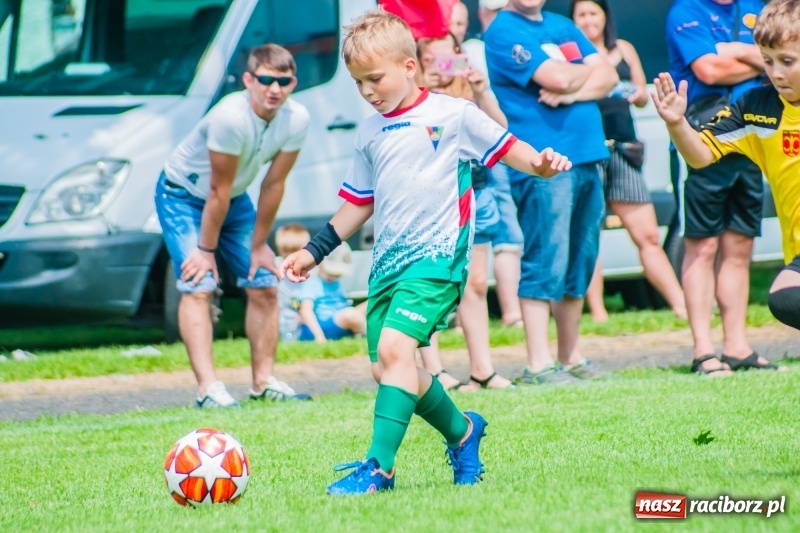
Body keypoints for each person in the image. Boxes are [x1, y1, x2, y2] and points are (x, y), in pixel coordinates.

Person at [280, 10, 570, 495]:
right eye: (358, 83)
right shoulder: (369, 132)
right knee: (390, 368)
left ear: (409, 66)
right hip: (387, 268)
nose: (368, 91)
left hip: (437, 260)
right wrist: (313, 251)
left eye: (375, 78)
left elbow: (513, 150)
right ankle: (463, 432)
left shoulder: (451, 115)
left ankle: (379, 468)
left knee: (396, 350)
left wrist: (541, 165)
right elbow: (357, 203)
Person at [155, 44, 311, 407]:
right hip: (183, 195)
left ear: (293, 83)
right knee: (198, 283)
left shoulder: (297, 118)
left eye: (283, 81)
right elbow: (216, 190)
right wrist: (206, 251)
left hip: (233, 197)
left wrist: (259, 245)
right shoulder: (230, 117)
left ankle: (264, 382)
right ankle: (208, 390)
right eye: (266, 79)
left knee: (265, 280)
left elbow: (273, 184)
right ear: (248, 80)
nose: (274, 88)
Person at [651, 0, 800, 370]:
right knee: (785, 298)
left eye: (787, 61)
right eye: (767, 61)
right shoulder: (757, 107)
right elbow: (700, 154)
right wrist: (676, 123)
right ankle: (707, 350)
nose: (776, 73)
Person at [484, 0, 618, 384]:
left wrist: (572, 93)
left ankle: (570, 356)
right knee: (547, 255)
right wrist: (578, 76)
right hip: (542, 160)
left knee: (581, 257)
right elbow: (555, 78)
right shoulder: (504, 30)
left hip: (588, 152)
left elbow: (608, 74)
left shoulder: (560, 23)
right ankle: (538, 364)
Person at [665, 0, 767, 375]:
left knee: (739, 245)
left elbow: (783, 60)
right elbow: (708, 69)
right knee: (703, 244)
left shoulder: (757, 7)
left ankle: (737, 347)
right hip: (703, 136)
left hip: (753, 136)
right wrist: (757, 57)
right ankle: (703, 351)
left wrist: (738, 51)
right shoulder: (685, 10)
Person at [571, 0, 687, 322]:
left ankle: (680, 304)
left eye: (593, 13)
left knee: (648, 234)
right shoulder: (568, 52)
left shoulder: (623, 48)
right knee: (588, 235)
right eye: (581, 14)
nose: (589, 19)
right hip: (586, 150)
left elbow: (639, 93)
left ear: (605, 17)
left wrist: (631, 92)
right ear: (573, 20)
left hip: (624, 148)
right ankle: (598, 313)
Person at [415, 32, 514, 390]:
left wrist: (482, 89)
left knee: (474, 283)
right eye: (432, 61)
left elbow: (501, 131)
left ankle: (482, 370)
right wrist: (425, 87)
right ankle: (434, 370)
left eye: (449, 59)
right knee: (429, 282)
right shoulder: (414, 99)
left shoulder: (467, 95)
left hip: (477, 190)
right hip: (433, 198)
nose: (443, 69)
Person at [461, 0, 527, 328]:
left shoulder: (510, 44)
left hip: (497, 148)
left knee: (506, 230)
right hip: (476, 154)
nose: (498, 16)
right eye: (493, 9)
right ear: (482, 13)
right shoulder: (471, 50)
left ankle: (512, 312)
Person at [296, 242, 367, 342]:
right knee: (350, 315)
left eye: (338, 274)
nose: (334, 276)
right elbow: (305, 311)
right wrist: (319, 336)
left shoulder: (336, 283)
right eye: (331, 272)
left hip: (341, 318)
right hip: (323, 324)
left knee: (371, 304)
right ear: (320, 262)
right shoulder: (313, 283)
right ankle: (369, 336)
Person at [275, 223, 311, 342]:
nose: (290, 257)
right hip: (284, 317)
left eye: (295, 251)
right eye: (286, 251)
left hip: (304, 315)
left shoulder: (309, 271)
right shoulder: (277, 269)